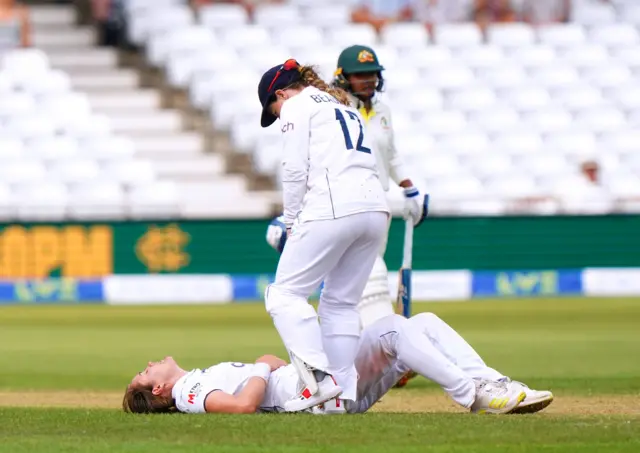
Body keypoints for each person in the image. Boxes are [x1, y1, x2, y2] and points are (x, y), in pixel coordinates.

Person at [256, 59, 390, 412]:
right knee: (341, 303)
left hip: (333, 204)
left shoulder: (297, 105)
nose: (278, 114)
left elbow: (295, 167)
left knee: (283, 295)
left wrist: (290, 220)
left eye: (275, 108)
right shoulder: (342, 105)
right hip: (375, 208)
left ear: (281, 93)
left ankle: (317, 381)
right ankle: (341, 396)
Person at [267, 45, 429, 331]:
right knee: (362, 279)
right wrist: (294, 214)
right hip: (336, 202)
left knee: (358, 280)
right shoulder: (335, 103)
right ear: (343, 77)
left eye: (372, 74)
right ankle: (384, 343)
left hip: (375, 201)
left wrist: (410, 189)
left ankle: (377, 346)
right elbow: (307, 162)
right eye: (360, 75)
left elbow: (391, 155)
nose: (368, 80)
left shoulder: (381, 111)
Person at [122, 312, 554, 415]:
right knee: (393, 331)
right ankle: (473, 396)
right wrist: (262, 366)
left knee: (418, 322)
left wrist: (267, 367)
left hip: (318, 381)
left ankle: (494, 384)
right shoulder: (187, 391)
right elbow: (242, 407)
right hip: (317, 396)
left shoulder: (192, 381)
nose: (149, 363)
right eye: (145, 372)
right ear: (158, 390)